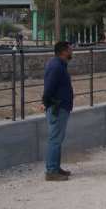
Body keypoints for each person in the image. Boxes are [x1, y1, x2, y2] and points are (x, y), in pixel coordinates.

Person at [41, 40, 74, 181]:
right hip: (57, 108)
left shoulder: (59, 65)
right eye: (70, 49)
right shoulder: (56, 66)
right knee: (55, 139)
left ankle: (56, 168)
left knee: (57, 139)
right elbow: (49, 88)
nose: (72, 51)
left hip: (60, 107)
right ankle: (51, 171)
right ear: (64, 51)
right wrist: (46, 103)